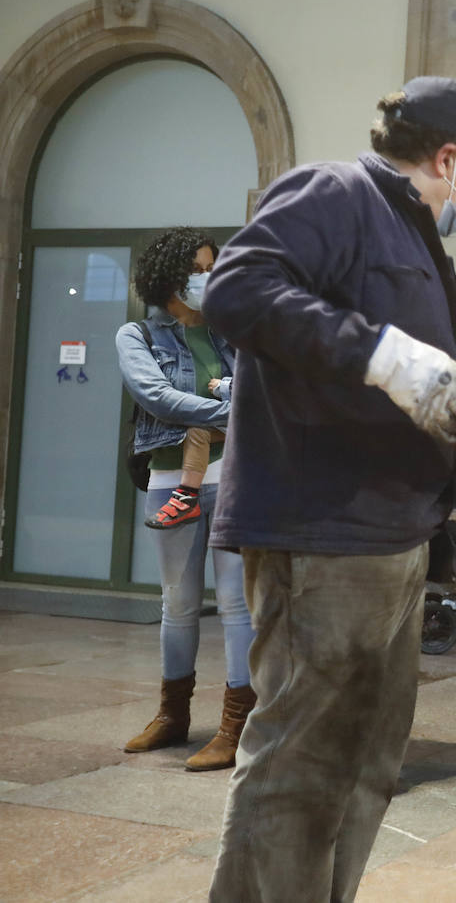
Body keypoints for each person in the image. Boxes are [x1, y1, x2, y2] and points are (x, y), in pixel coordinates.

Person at [200, 77, 456, 901]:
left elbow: (417, 405)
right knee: (300, 768)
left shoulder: (415, 234)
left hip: (392, 535)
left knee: (365, 767)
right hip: (323, 535)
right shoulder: (335, 193)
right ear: (449, 157)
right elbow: (237, 292)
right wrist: (381, 354)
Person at [114, 226, 254, 772]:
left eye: (213, 268)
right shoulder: (137, 335)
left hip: (240, 477)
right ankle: (173, 716)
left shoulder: (233, 333)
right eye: (200, 269)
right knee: (179, 603)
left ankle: (234, 725)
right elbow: (157, 397)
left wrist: (238, 407)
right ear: (170, 277)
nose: (209, 277)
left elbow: (265, 388)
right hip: (171, 479)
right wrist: (232, 412)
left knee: (240, 606)